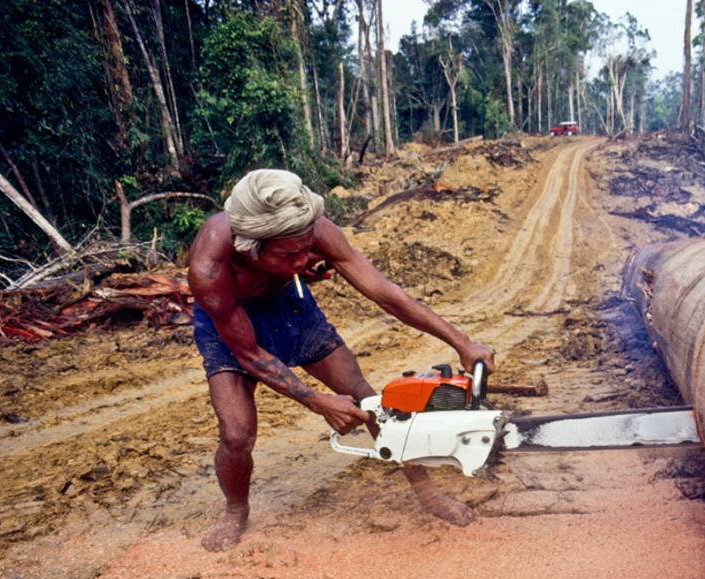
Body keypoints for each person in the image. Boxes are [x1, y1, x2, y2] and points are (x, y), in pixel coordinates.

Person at [187, 169, 495, 552]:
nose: (305, 259)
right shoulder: (210, 269)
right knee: (236, 434)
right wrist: (315, 401)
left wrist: (461, 341)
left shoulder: (314, 230)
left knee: (369, 401)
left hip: (289, 305)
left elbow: (385, 293)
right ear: (251, 247)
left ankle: (427, 493)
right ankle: (235, 510)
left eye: (307, 248)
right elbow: (248, 352)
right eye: (290, 254)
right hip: (230, 320)